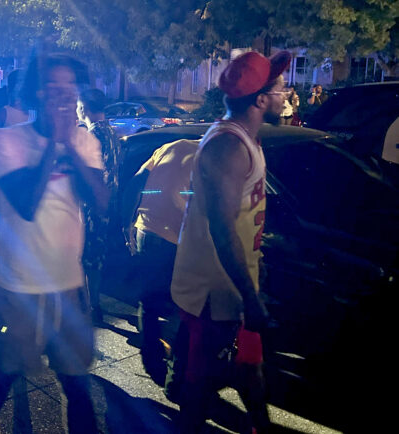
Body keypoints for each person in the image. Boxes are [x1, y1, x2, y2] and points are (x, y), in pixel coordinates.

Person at [0, 53, 108, 434]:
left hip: (69, 283)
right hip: (20, 285)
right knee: (10, 367)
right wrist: (54, 145)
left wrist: (70, 146)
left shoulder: (85, 140)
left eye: (70, 88)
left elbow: (100, 200)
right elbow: (27, 205)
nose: (64, 97)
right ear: (36, 94)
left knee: (77, 382)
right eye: (53, 89)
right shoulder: (4, 140)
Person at [170, 50, 291, 433]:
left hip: (233, 288)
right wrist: (250, 297)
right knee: (200, 387)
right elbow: (222, 230)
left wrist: (255, 266)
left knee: (249, 366)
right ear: (261, 99)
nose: (287, 94)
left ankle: (261, 427)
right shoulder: (229, 147)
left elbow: (240, 218)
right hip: (213, 293)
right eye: (281, 88)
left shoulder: (245, 140)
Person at [120, 138, 199, 386]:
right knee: (186, 306)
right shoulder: (213, 157)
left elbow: (136, 182)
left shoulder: (170, 146)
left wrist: (126, 222)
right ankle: (177, 376)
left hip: (147, 231)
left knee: (150, 303)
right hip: (178, 240)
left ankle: (152, 359)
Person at [76, 88, 122, 323]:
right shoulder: (112, 133)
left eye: (77, 106)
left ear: (83, 108)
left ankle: (91, 306)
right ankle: (93, 304)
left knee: (87, 258)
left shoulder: (91, 136)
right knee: (97, 257)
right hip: (107, 205)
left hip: (90, 207)